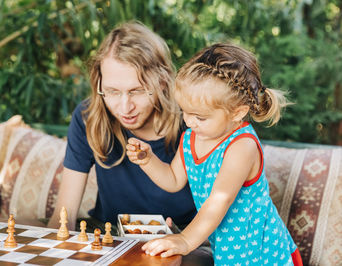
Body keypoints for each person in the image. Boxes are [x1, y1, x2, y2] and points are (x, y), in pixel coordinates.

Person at [126, 43, 303, 265]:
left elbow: (220, 199)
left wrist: (184, 240)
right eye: (185, 112)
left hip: (261, 254)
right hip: (228, 251)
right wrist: (148, 160)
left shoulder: (242, 146)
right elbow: (172, 180)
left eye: (200, 117)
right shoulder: (191, 138)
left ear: (237, 112)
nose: (189, 122)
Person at [47, 21, 198, 235]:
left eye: (137, 91)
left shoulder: (193, 120)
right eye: (113, 91)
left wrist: (187, 240)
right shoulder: (87, 117)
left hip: (186, 236)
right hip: (108, 232)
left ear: (162, 81)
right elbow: (65, 215)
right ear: (99, 83)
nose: (125, 108)